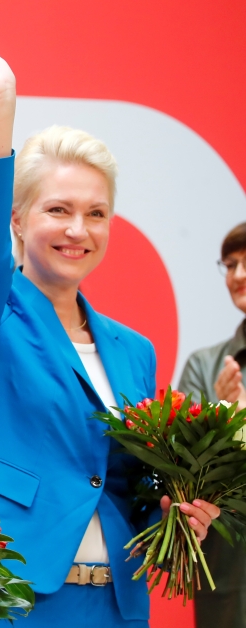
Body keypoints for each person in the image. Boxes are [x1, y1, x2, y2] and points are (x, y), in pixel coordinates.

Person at [0, 26, 221, 627]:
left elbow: (123, 484)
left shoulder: (134, 351)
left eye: (96, 214)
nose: (78, 230)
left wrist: (177, 516)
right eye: (58, 210)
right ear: (16, 218)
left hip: (113, 605)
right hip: (5, 600)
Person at [177, 221, 246, 628]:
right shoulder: (206, 366)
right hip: (231, 571)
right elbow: (185, 477)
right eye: (231, 264)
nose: (238, 275)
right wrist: (223, 417)